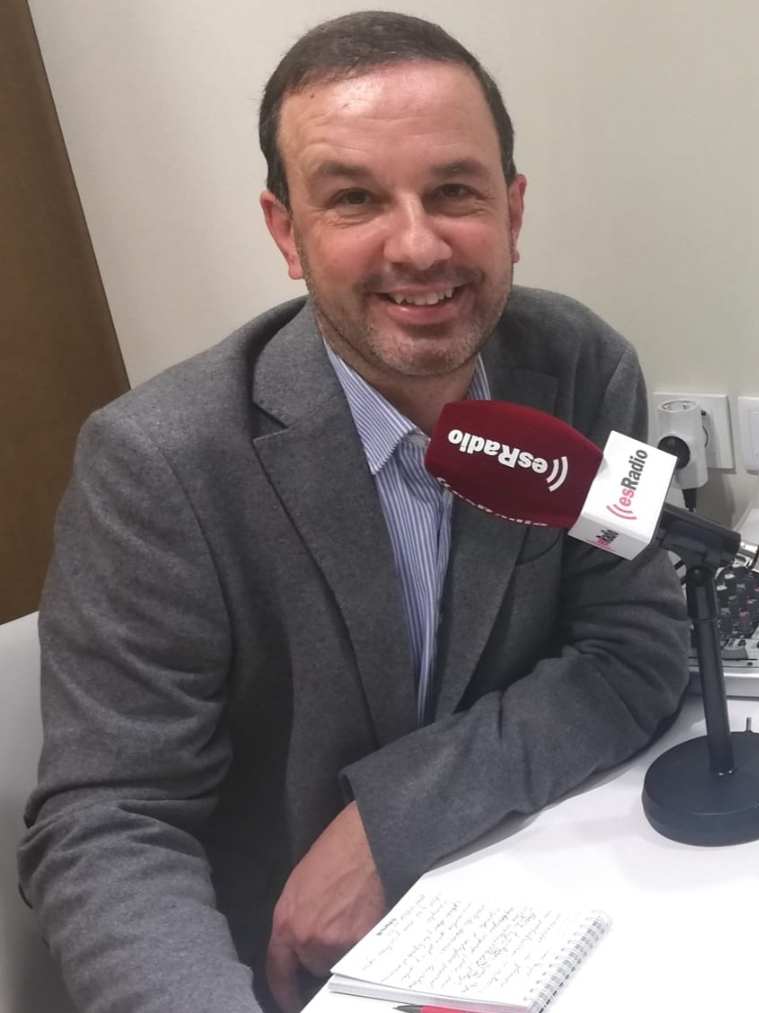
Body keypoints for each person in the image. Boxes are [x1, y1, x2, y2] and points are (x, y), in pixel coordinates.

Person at [17, 12, 690, 1012]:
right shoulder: (157, 465)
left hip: (521, 891)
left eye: (454, 190)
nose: (417, 245)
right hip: (283, 971)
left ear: (512, 209)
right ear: (287, 230)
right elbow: (110, 821)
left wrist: (391, 819)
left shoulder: (587, 369)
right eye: (355, 199)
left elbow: (635, 646)